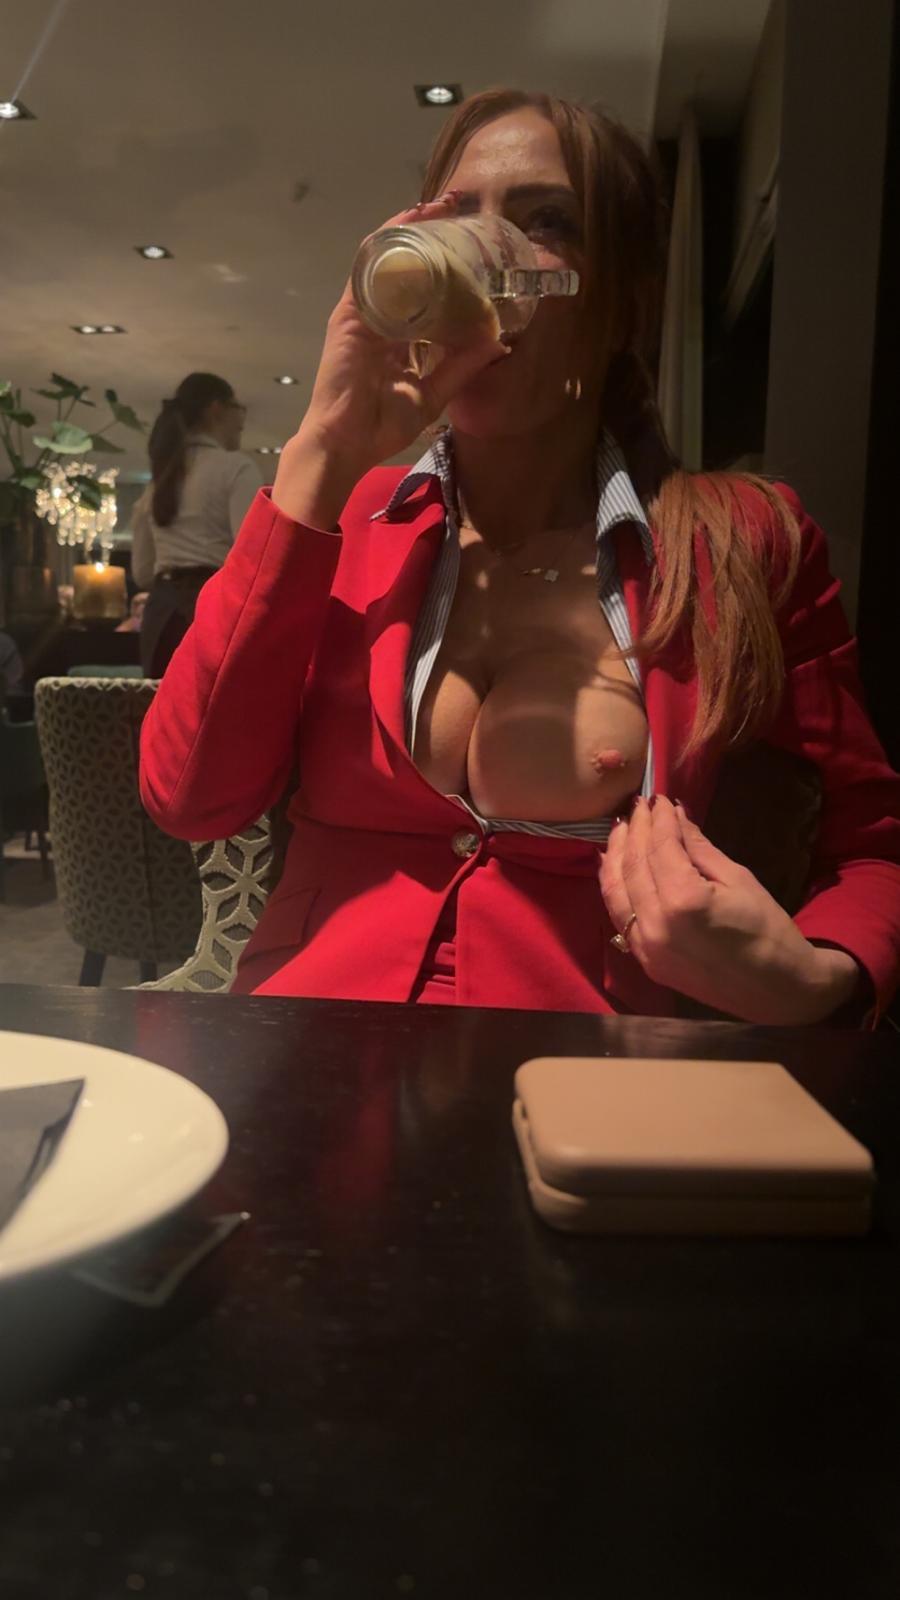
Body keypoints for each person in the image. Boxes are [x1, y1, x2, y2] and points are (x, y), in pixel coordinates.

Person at [139, 88, 900, 1025]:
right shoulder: (349, 521)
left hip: (593, 1075)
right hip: (306, 1052)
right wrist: (320, 456)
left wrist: (818, 979)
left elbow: (871, 845)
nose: (486, 256)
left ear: (621, 299)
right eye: (457, 216)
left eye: (548, 223)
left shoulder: (742, 541)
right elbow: (188, 797)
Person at [132, 372, 261, 677]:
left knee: (160, 703)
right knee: (214, 703)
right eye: (238, 409)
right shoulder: (237, 468)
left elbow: (142, 572)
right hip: (213, 607)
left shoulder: (159, 480)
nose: (242, 421)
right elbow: (251, 556)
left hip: (162, 615)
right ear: (216, 408)